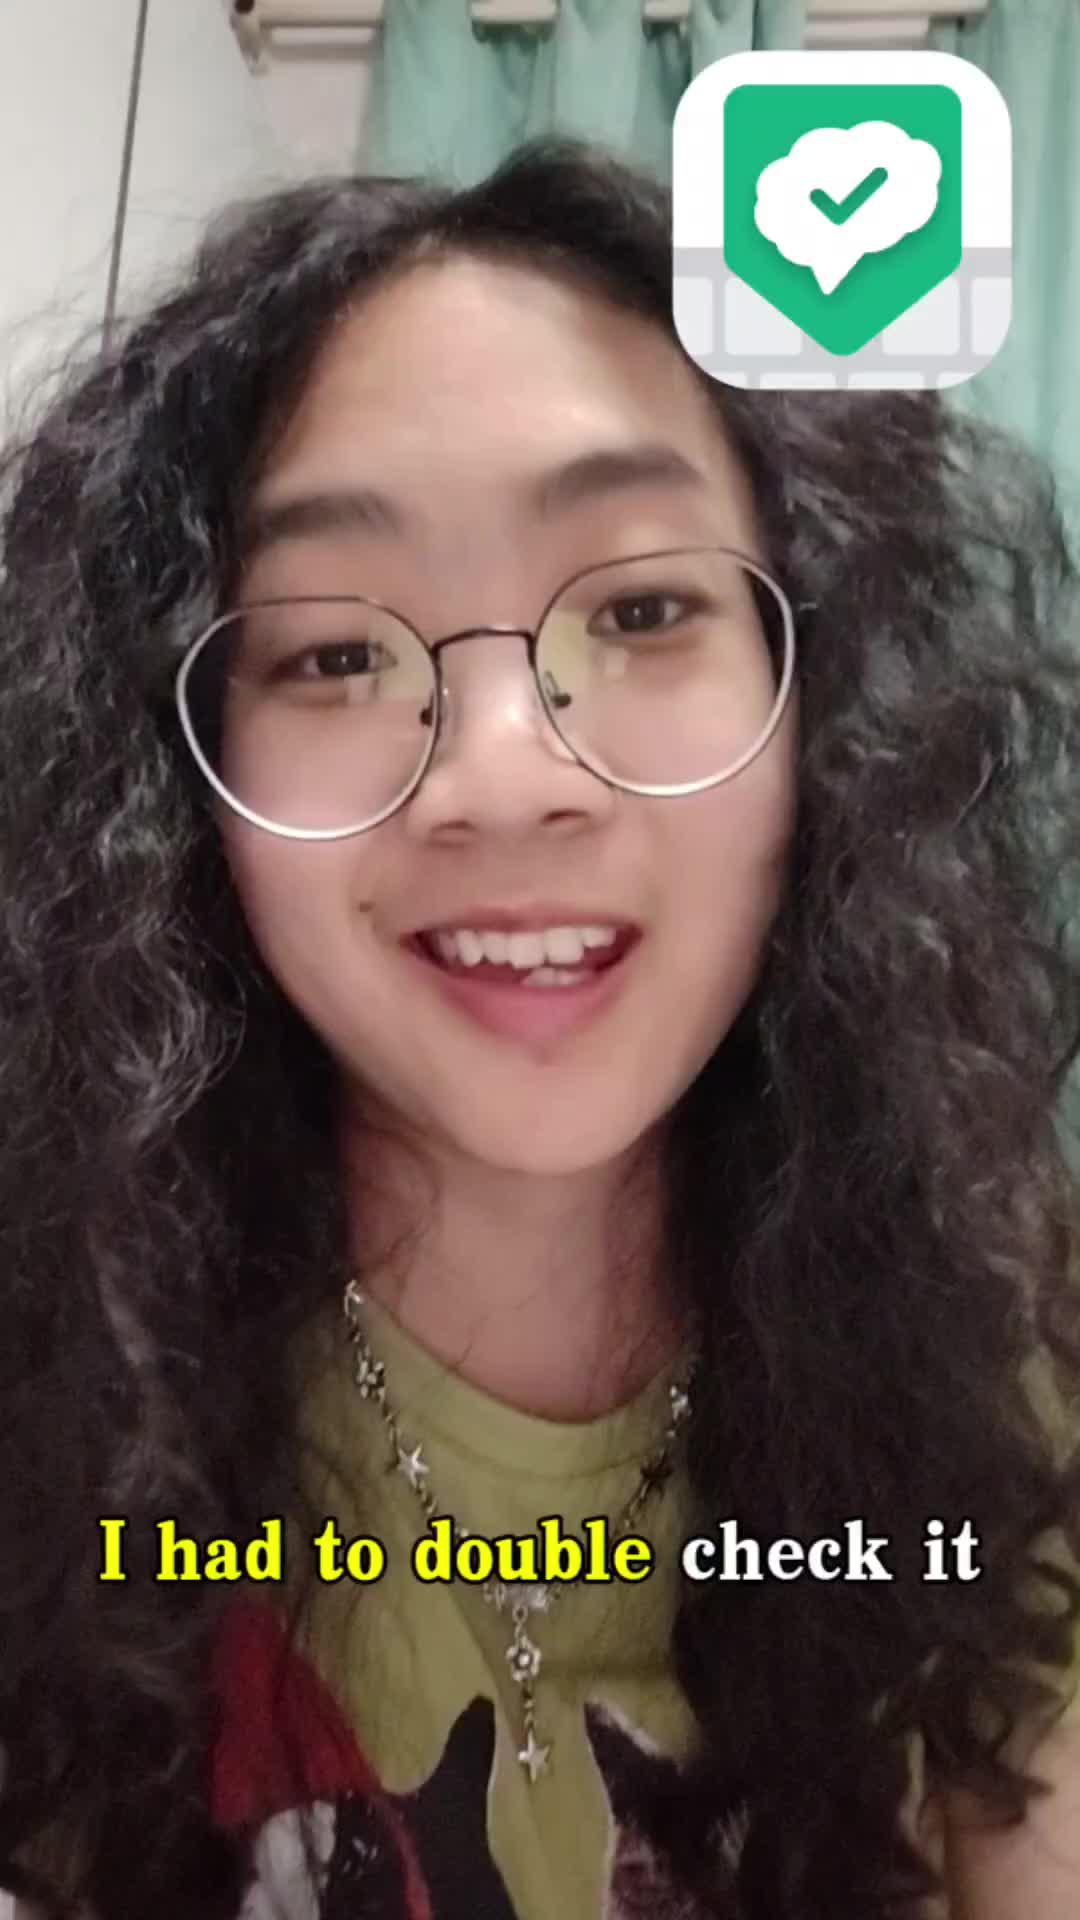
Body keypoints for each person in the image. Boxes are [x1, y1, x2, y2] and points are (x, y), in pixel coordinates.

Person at [0, 134, 1079, 1920]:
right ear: (172, 773)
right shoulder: (47, 1370)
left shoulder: (1011, 1334)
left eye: (644, 608)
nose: (505, 778)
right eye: (334, 653)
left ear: (827, 708)